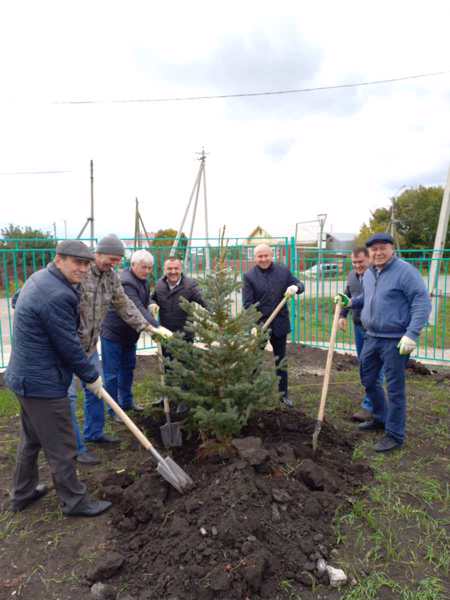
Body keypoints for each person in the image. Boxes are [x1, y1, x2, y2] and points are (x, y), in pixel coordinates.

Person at [5, 240, 111, 516]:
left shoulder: (39, 277)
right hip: (43, 383)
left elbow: (17, 301)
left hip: (23, 377)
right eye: (77, 262)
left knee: (32, 439)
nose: (83, 269)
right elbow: (68, 345)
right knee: (62, 445)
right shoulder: (57, 294)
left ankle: (22, 493)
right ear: (59, 259)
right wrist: (92, 377)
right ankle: (75, 502)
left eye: (87, 263)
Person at [68, 234, 171, 463]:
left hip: (89, 347)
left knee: (96, 389)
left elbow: (125, 305)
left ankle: (94, 433)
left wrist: (149, 327)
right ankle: (75, 449)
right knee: (67, 398)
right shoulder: (80, 274)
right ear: (98, 253)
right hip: (65, 347)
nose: (113, 263)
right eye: (110, 258)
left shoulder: (112, 278)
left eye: (117, 260)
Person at [335, 233, 431, 452]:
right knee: (368, 379)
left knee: (395, 388)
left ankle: (395, 435)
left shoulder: (405, 272)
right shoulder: (370, 273)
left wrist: (412, 333)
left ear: (391, 249)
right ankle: (380, 417)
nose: (378, 253)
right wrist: (350, 302)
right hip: (372, 336)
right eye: (374, 249)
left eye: (382, 248)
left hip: (396, 340)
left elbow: (421, 301)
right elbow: (368, 298)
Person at [243, 244, 304, 407]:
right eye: (259, 256)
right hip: (260, 326)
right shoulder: (249, 276)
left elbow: (300, 285)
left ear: (272, 255)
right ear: (255, 258)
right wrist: (254, 324)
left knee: (281, 360)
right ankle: (251, 393)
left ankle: (283, 395)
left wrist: (296, 287)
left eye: (266, 256)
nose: (263, 259)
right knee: (254, 361)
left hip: (279, 324)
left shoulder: (283, 272)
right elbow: (247, 304)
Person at [100, 249, 158, 419]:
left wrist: (153, 303)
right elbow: (137, 308)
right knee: (111, 374)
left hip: (130, 335)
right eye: (143, 267)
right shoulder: (126, 282)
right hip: (113, 334)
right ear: (133, 265)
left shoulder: (144, 281)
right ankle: (113, 410)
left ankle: (126, 402)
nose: (147, 271)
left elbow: (145, 301)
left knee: (128, 368)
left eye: (149, 268)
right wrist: (156, 327)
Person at [338, 246, 383, 422]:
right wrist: (343, 315)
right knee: (364, 365)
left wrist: (351, 303)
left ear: (369, 259)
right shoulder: (352, 275)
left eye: (360, 262)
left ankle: (369, 406)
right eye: (354, 262)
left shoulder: (377, 276)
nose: (357, 265)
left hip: (375, 329)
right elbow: (348, 294)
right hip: (358, 326)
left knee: (374, 367)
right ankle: (373, 400)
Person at [150, 257, 207, 341]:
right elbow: (152, 298)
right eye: (169, 269)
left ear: (181, 269)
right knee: (166, 354)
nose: (173, 271)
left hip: (185, 336)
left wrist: (216, 309)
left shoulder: (190, 285)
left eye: (176, 268)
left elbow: (202, 298)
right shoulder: (159, 284)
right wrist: (152, 303)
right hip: (166, 335)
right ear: (164, 270)